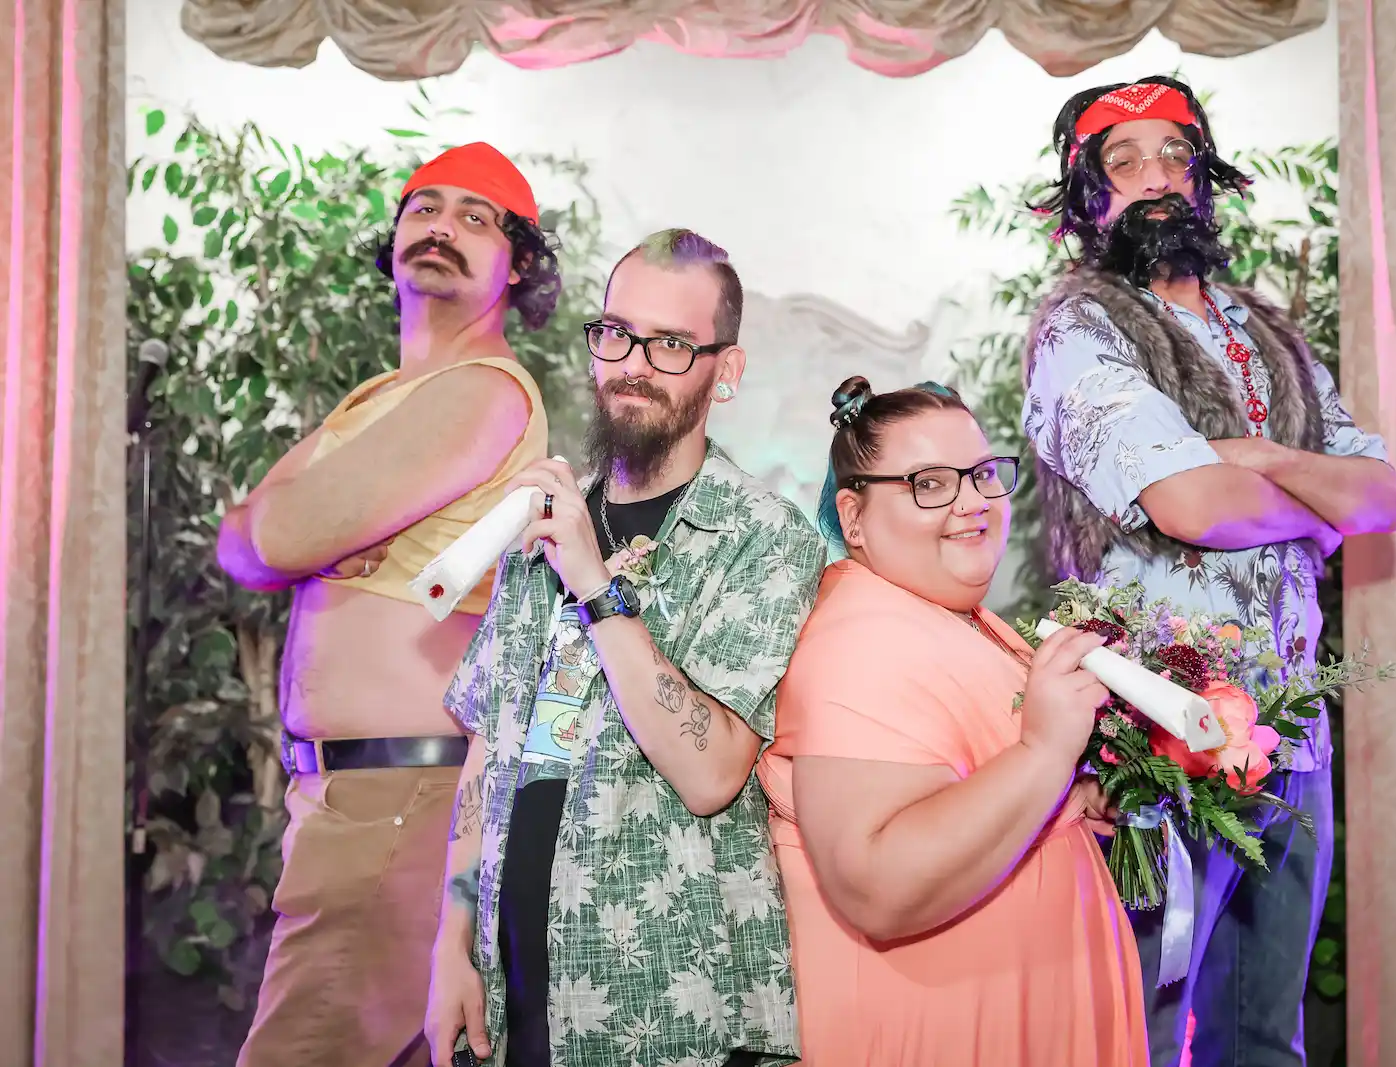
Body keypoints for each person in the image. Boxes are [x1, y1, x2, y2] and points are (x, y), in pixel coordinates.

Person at [1022, 77, 1396, 1067]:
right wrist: (1311, 510)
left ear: (1204, 178)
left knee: (1261, 1033)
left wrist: (1262, 457)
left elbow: (1383, 499)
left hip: (1293, 732)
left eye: (1174, 156)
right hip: (1153, 731)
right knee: (1137, 1021)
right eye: (1122, 161)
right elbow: (1190, 506)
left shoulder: (1265, 334)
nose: (1154, 179)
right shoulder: (1082, 329)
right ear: (1087, 194)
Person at [425, 229, 826, 1067]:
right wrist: (450, 942)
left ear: (728, 371)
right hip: (512, 1001)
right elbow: (484, 752)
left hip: (674, 1009)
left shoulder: (764, 538)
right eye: (613, 331)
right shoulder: (541, 522)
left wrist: (597, 585)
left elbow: (713, 770)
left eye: (671, 344)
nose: (631, 362)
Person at [216, 142, 560, 1067]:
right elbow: (239, 542)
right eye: (423, 208)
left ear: (519, 263)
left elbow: (276, 537)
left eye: (474, 217)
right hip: (349, 796)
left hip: (400, 796)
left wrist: (302, 541)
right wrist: (297, 536)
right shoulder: (381, 398)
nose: (440, 227)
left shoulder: (481, 392)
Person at [757, 376, 1149, 1067]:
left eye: (981, 475)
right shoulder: (859, 640)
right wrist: (1044, 756)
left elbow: (965, 791)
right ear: (853, 518)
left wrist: (1070, 794)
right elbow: (876, 883)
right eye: (929, 484)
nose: (971, 502)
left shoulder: (955, 619)